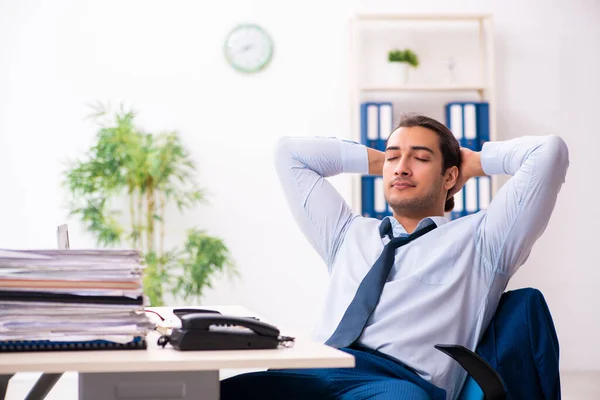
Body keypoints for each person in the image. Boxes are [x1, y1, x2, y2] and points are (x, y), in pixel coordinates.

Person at [221, 114, 569, 400]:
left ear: (450, 176)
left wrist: (472, 163)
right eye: (393, 157)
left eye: (420, 158)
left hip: (396, 384)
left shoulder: (484, 241)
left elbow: (548, 152)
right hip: (313, 368)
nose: (402, 168)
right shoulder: (345, 233)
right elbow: (289, 153)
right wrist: (386, 162)